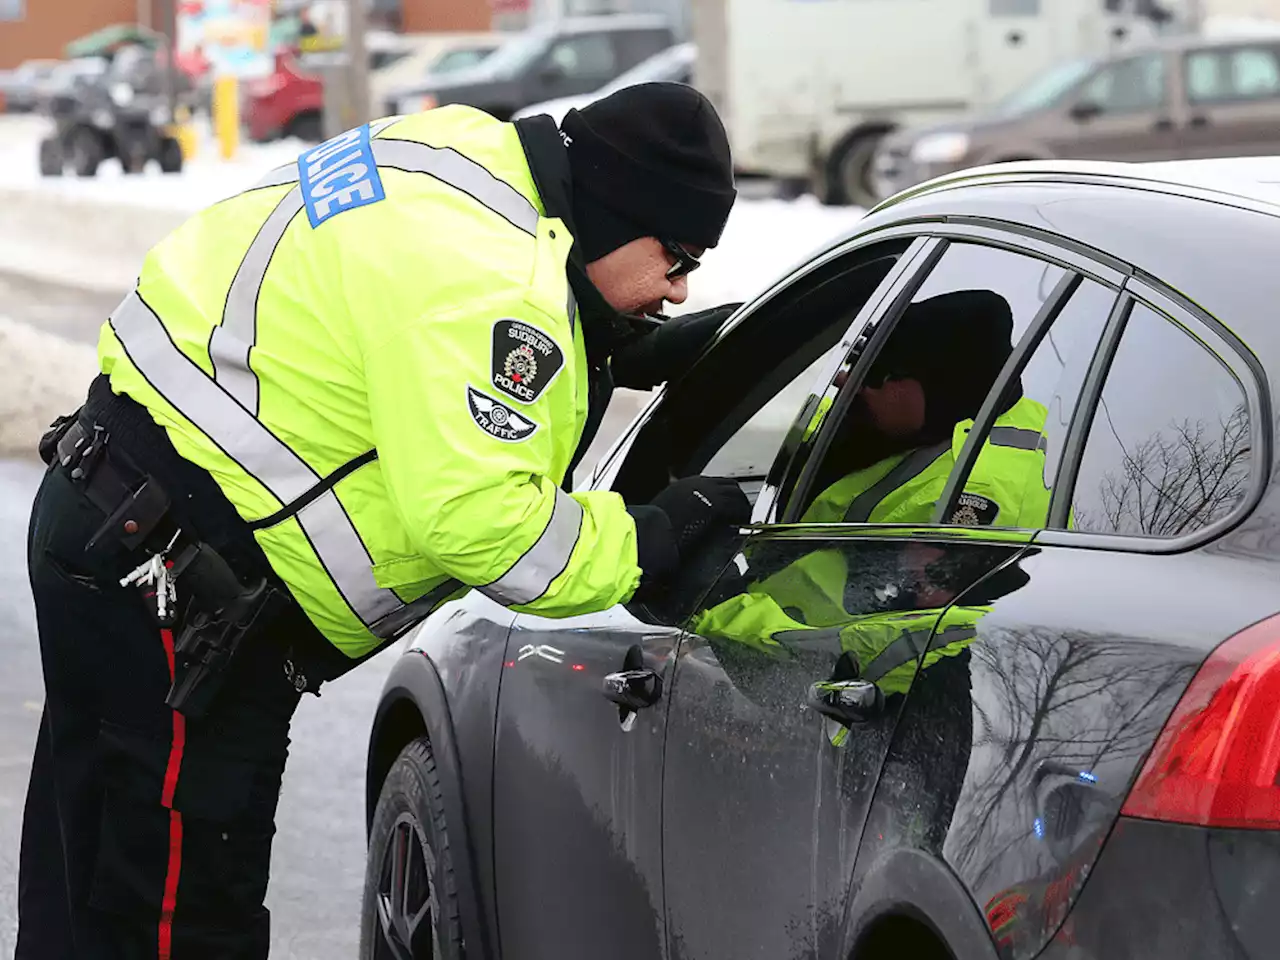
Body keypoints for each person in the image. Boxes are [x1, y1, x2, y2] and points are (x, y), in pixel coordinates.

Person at [17, 84, 752, 960]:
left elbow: (395, 308)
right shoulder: (499, 283)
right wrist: (649, 536)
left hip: (109, 509)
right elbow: (484, 527)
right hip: (182, 591)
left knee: (90, 882)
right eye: (676, 258)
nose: (679, 287)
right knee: (177, 919)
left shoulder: (460, 156)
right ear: (618, 210)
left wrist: (600, 335)